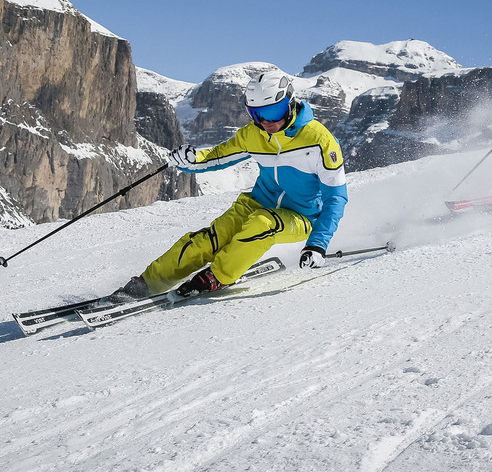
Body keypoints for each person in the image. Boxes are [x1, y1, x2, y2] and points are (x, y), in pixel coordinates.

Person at [107, 71, 348, 302]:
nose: (266, 122)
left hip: (302, 216)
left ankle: (218, 277)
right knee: (207, 240)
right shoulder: (253, 134)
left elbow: (336, 197)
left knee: (262, 225)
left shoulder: (319, 141)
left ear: (290, 103)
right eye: (257, 114)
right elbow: (218, 156)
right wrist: (190, 161)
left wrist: (317, 244)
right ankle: (147, 284)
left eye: (274, 111)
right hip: (257, 203)